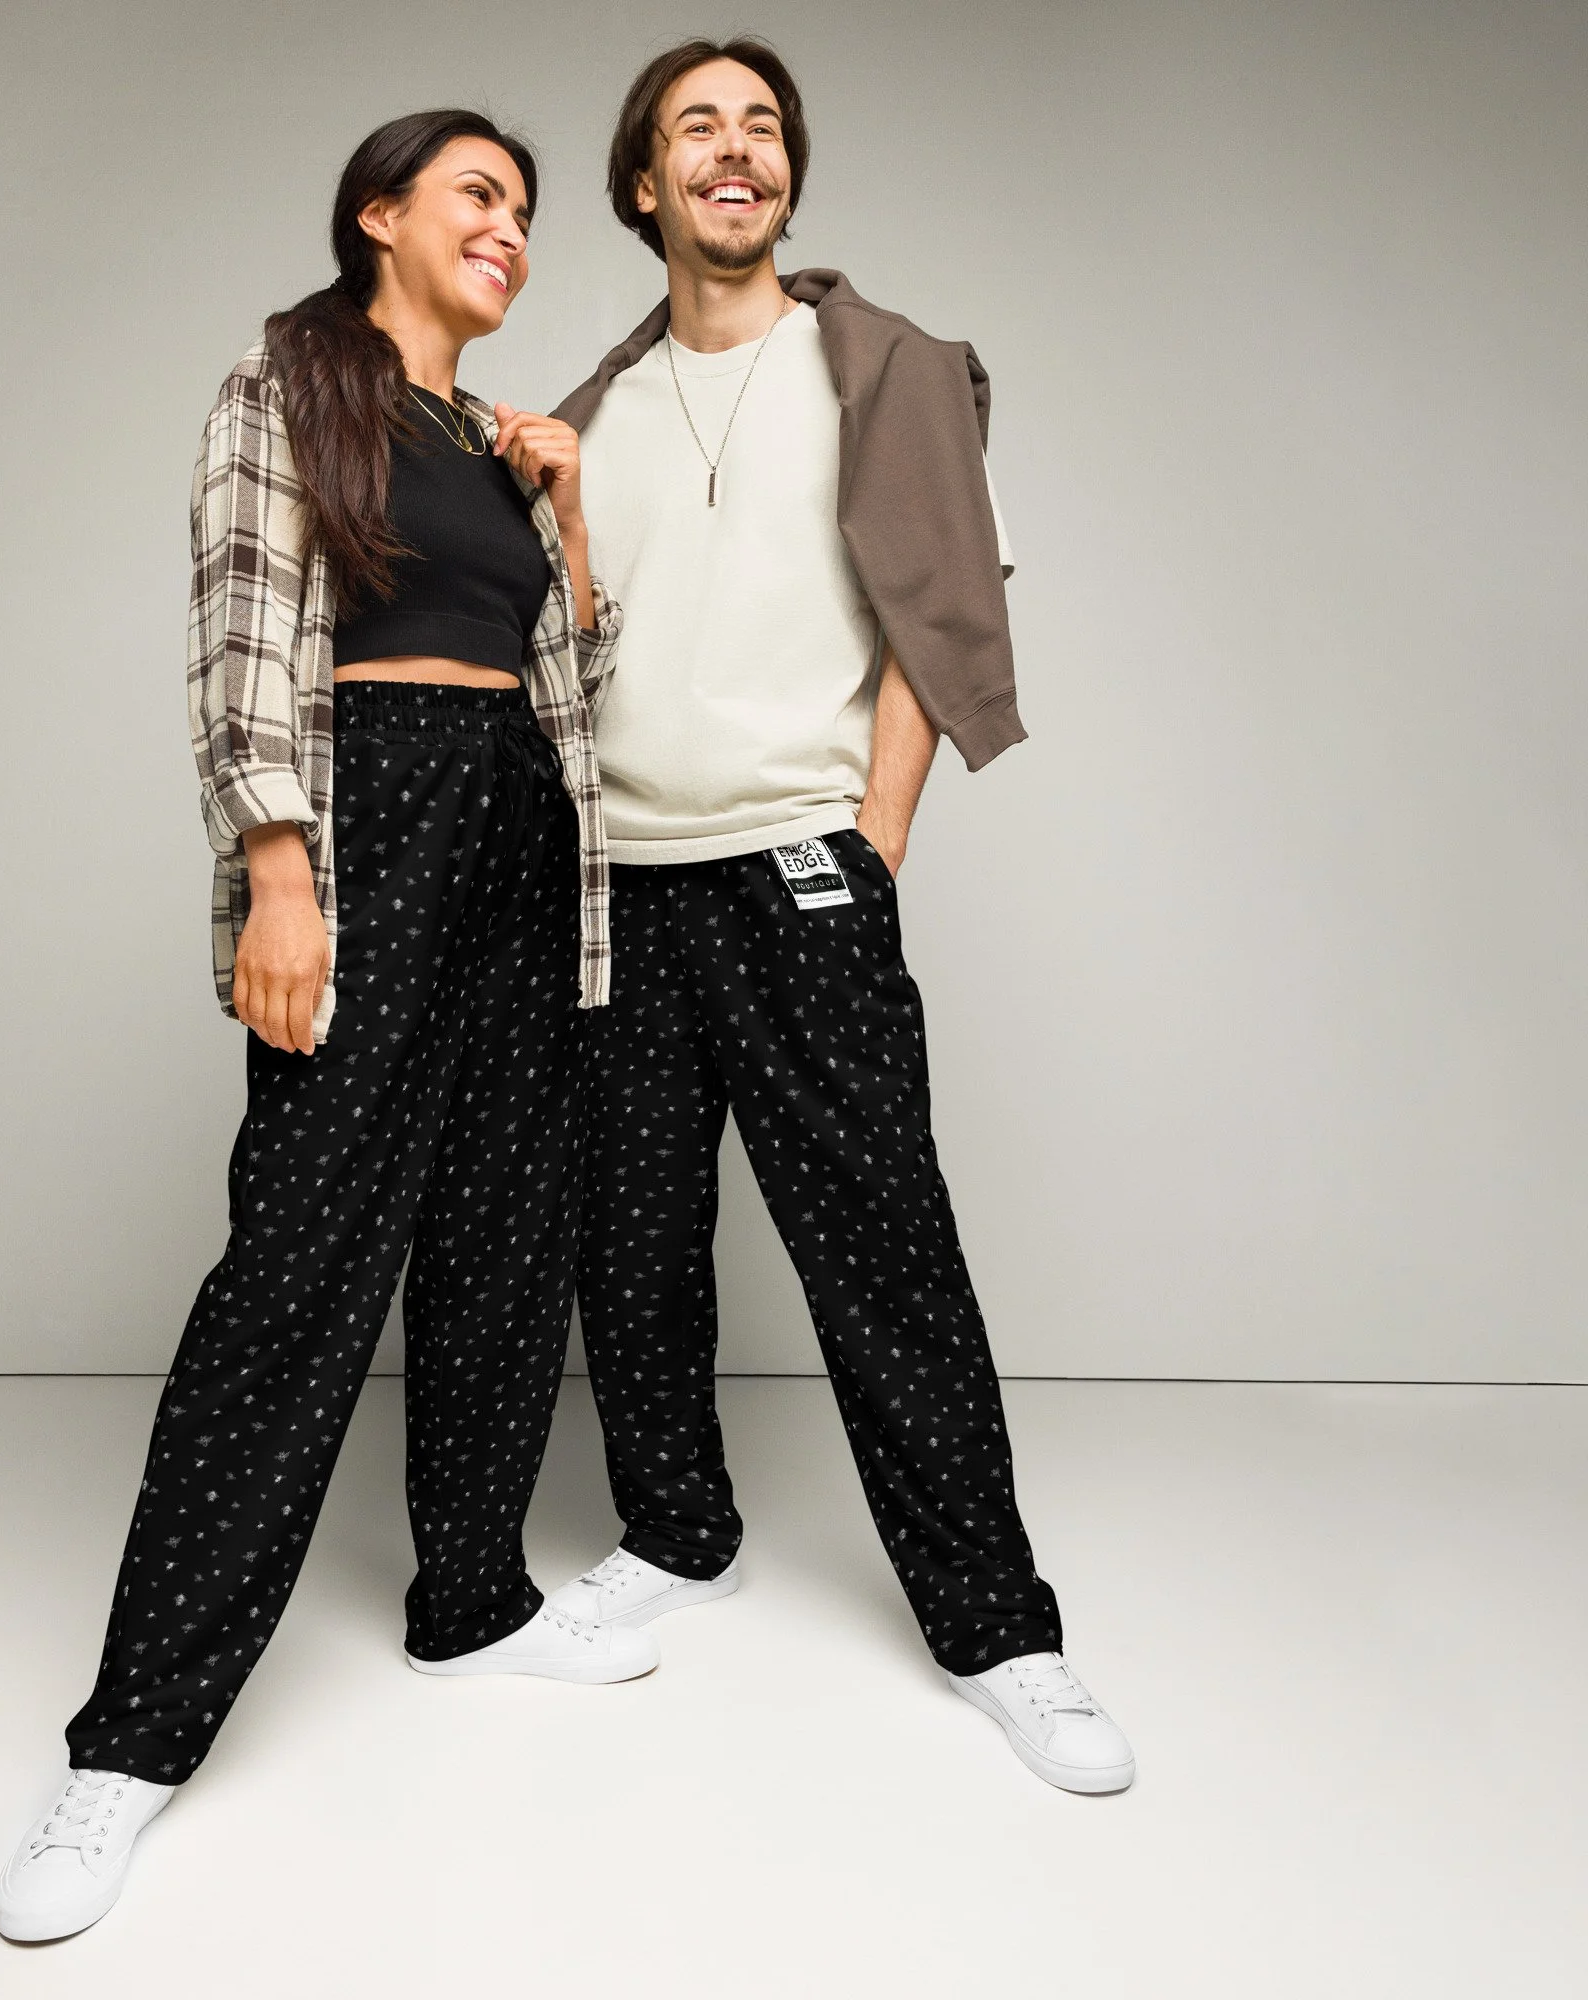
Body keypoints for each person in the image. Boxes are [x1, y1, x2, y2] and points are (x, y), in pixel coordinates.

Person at [0, 108, 638, 1944]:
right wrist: (282, 867)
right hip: (373, 806)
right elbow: (241, 628)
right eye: (477, 197)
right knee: (297, 1266)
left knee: (508, 1240)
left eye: (523, 210)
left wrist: (571, 512)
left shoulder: (501, 455)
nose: (511, 229)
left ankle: (472, 1603)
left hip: (520, 824)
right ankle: (129, 1743)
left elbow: (583, 691)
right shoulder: (289, 388)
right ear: (381, 216)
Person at [542, 39, 1136, 1796]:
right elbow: (568, 653)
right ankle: (675, 1537)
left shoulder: (885, 371)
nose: (738, 152)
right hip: (623, 888)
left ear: (785, 173)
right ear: (643, 184)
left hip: (800, 863)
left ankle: (999, 1630)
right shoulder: (594, 414)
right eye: (696, 130)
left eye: (763, 127)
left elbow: (931, 619)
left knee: (883, 1250)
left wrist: (870, 839)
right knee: (631, 1247)